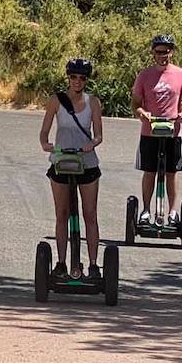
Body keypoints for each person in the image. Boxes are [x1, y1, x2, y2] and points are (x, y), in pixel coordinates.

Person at [39, 57, 105, 279]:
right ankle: (60, 263)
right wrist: (46, 145)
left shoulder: (93, 102)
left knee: (90, 215)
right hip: (62, 162)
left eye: (82, 78)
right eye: (74, 77)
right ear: (68, 77)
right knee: (62, 214)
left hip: (86, 163)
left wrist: (92, 144)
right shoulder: (56, 101)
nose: (77, 81)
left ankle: (94, 265)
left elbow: (99, 135)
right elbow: (44, 133)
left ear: (87, 80)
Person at [131, 33, 182, 226]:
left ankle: (173, 212)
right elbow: (135, 103)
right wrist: (141, 112)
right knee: (149, 171)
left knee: (172, 172)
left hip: (172, 131)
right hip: (149, 131)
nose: (162, 55)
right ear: (153, 53)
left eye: (166, 52)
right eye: (159, 52)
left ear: (171, 53)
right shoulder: (144, 75)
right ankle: (145, 210)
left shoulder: (180, 74)